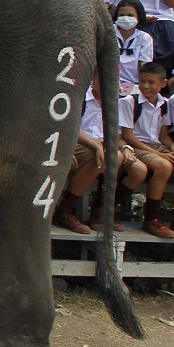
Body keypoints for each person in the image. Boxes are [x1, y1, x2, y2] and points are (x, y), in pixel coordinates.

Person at [119, 61, 174, 242]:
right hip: (137, 145)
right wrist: (159, 154)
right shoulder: (129, 101)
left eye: (151, 82)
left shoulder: (164, 104)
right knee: (163, 165)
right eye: (142, 81)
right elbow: (128, 136)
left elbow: (163, 135)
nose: (146, 86)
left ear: (163, 84)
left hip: (157, 146)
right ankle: (150, 219)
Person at [57, 73, 145, 233]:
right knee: (103, 157)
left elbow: (117, 136)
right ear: (93, 79)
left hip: (103, 145)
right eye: (101, 79)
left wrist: (126, 148)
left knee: (130, 164)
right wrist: (96, 146)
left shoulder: (115, 103)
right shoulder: (81, 97)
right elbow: (71, 128)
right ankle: (65, 211)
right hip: (76, 142)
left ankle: (102, 211)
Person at [114, 0, 154, 91]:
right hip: (109, 83)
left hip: (134, 85)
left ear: (138, 17)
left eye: (130, 15)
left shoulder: (144, 38)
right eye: (121, 15)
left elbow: (144, 65)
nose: (125, 18)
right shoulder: (108, 34)